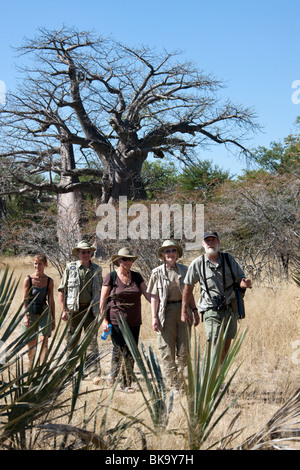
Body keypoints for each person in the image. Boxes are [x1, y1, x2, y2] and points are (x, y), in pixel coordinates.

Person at [181, 231, 252, 363]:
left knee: (226, 345)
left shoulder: (228, 259)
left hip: (231, 308)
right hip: (211, 310)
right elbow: (188, 287)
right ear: (203, 244)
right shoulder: (198, 263)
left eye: (213, 240)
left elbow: (241, 279)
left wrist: (245, 283)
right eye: (207, 241)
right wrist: (184, 310)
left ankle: (220, 377)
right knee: (215, 343)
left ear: (218, 242)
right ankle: (213, 378)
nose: (210, 243)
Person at [147, 240, 199, 391]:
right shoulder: (156, 272)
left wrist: (195, 311)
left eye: (173, 251)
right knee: (166, 350)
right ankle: (174, 386)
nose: (170, 254)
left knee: (184, 351)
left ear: (177, 254)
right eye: (167, 251)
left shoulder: (185, 270)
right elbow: (154, 297)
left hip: (184, 312)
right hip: (166, 312)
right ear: (163, 255)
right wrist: (154, 317)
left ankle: (182, 380)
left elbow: (189, 293)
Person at [100, 247, 150, 393]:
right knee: (119, 348)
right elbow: (103, 300)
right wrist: (104, 320)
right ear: (118, 261)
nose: (127, 262)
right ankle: (115, 375)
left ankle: (126, 382)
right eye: (124, 259)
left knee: (131, 351)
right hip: (116, 320)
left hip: (134, 321)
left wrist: (159, 302)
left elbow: (147, 294)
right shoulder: (111, 277)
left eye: (129, 259)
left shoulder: (137, 276)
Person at [58, 240, 103, 384]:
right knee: (71, 341)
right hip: (74, 310)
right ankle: (69, 372)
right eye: (83, 252)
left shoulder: (97, 269)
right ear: (78, 253)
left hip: (91, 310)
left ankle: (94, 373)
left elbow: (101, 290)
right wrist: (63, 310)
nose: (86, 254)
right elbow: (62, 289)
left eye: (88, 252)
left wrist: (101, 309)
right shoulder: (70, 268)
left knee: (91, 342)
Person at [21, 253, 56, 368]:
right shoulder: (28, 279)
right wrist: (25, 316)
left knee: (44, 339)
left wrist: (53, 318)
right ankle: (30, 366)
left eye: (40, 264)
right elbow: (24, 300)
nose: (37, 266)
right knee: (31, 341)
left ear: (45, 264)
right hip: (30, 310)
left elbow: (51, 300)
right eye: (35, 263)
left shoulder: (49, 281)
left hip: (43, 310)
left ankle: (42, 367)